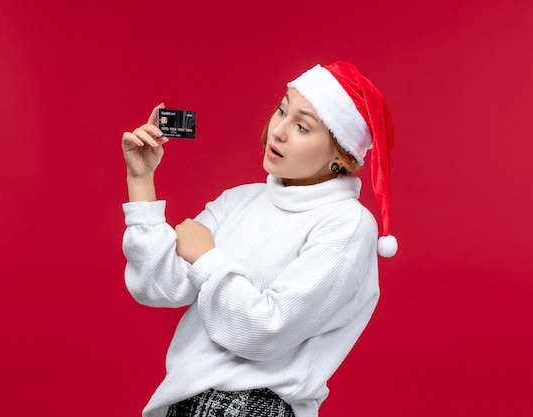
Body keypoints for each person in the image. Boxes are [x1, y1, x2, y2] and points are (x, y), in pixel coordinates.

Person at [121, 61, 397, 417]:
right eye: (282, 110)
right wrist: (141, 181)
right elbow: (159, 286)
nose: (279, 130)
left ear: (340, 155)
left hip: (256, 406)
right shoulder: (240, 200)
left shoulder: (347, 225)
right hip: (181, 400)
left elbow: (266, 331)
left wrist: (207, 259)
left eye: (302, 126)